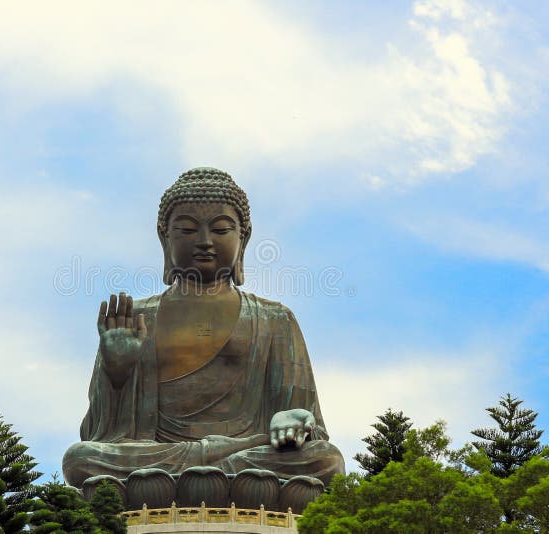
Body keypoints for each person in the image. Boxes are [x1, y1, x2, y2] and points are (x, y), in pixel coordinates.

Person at [63, 167, 344, 487]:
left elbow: (308, 426)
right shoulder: (135, 318)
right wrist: (117, 374)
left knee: (326, 459)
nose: (205, 242)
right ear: (164, 237)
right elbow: (101, 435)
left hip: (247, 454)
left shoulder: (274, 318)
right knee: (80, 459)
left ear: (244, 237)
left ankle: (207, 474)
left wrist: (292, 419)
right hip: (161, 456)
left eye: (221, 229)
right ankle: (208, 474)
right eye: (186, 229)